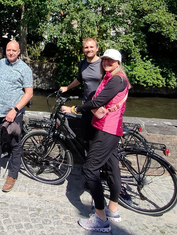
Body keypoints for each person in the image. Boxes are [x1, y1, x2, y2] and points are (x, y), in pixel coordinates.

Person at [62, 49, 129, 233]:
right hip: (111, 128)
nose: (107, 62)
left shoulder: (117, 79)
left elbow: (98, 101)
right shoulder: (113, 77)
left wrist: (75, 109)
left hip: (107, 129)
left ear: (118, 62)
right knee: (112, 167)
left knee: (90, 169)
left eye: (111, 60)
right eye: (105, 59)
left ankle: (101, 218)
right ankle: (113, 210)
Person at [0, 40, 33, 192]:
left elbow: (29, 93)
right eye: (8, 50)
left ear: (19, 52)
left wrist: (15, 109)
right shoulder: (2, 63)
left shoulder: (25, 69)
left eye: (14, 50)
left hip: (13, 114)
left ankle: (12, 175)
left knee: (14, 145)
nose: (11, 52)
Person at [60, 37, 101, 142]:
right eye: (86, 47)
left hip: (100, 107)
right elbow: (79, 79)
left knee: (99, 139)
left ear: (97, 49)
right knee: (88, 138)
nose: (89, 49)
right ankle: (89, 158)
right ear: (83, 50)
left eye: (92, 47)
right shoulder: (83, 64)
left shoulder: (103, 64)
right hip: (87, 105)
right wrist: (67, 88)